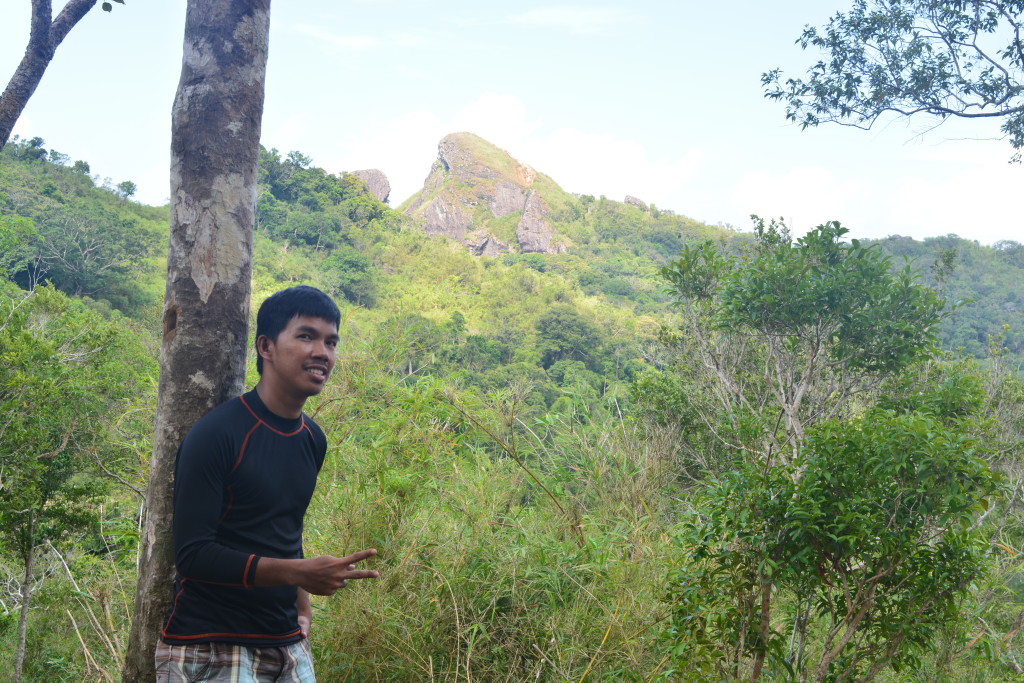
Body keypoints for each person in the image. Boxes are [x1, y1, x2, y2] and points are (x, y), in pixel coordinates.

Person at [156, 285, 379, 682]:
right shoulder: (217, 434)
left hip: (286, 644)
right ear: (266, 346)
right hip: (212, 644)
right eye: (306, 336)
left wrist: (303, 604)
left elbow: (283, 530)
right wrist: (299, 573)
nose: (322, 353)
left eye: (331, 342)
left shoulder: (312, 439)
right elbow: (193, 555)